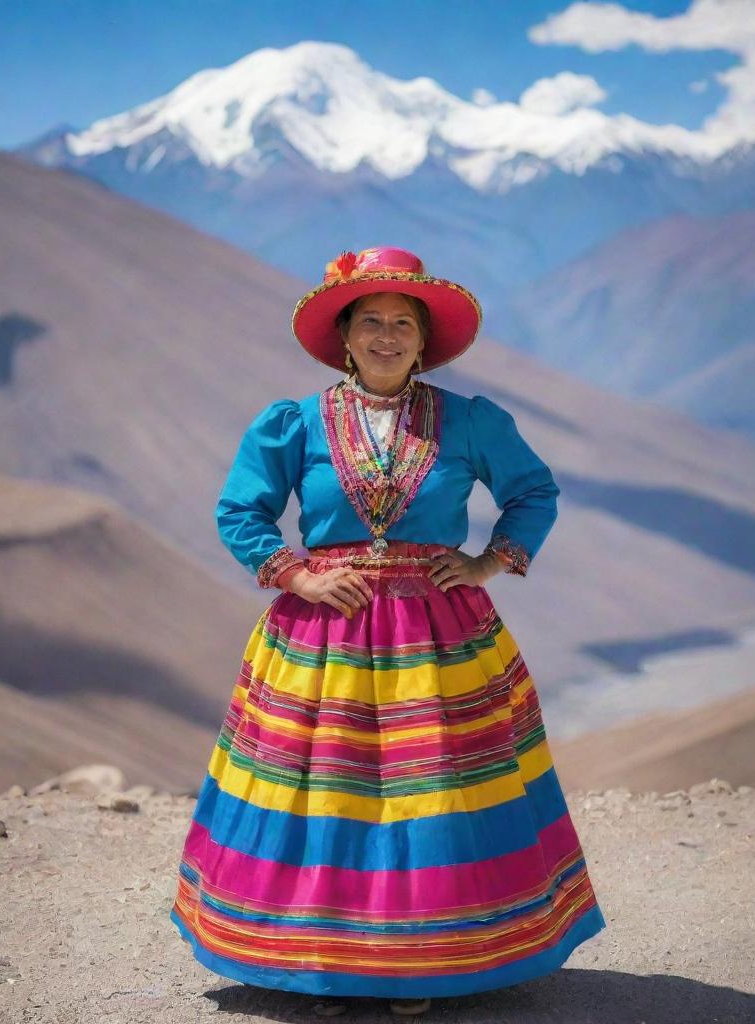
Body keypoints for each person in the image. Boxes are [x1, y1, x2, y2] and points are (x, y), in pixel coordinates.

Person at [170, 246, 606, 1016]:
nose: (386, 335)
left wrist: (488, 563)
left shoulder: (470, 422)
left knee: (428, 790)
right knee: (324, 791)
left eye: (401, 322)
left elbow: (533, 492)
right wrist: (297, 574)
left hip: (437, 634)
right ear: (343, 335)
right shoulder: (293, 425)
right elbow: (240, 510)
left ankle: (422, 965)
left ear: (422, 339)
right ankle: (320, 961)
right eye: (369, 320)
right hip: (323, 633)